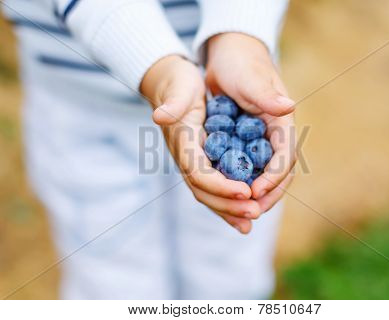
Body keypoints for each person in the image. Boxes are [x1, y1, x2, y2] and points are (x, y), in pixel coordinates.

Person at [3, 0, 296, 299]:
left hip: (230, 84)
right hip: (84, 111)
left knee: (229, 268)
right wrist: (156, 64)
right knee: (114, 277)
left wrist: (240, 33)